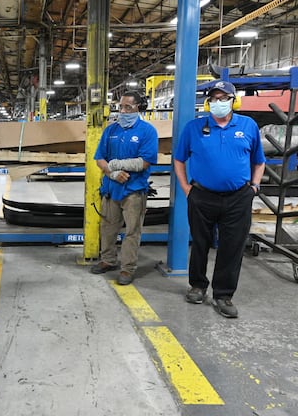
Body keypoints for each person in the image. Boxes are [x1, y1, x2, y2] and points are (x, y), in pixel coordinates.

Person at [174, 80, 265, 318]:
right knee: (200, 243)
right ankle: (198, 286)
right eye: (214, 99)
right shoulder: (194, 128)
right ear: (208, 102)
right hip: (201, 196)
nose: (219, 103)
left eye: (224, 98)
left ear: (233, 101)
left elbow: (259, 160)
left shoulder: (248, 126)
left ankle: (223, 295)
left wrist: (254, 187)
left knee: (232, 247)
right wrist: (186, 188)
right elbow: (179, 159)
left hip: (238, 198)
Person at [90, 91, 158, 285]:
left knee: (132, 231)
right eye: (121, 107)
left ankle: (128, 269)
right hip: (111, 189)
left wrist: (116, 164)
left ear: (139, 107)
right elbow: (99, 158)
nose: (123, 111)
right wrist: (111, 173)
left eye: (128, 107)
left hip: (133, 190)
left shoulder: (147, 131)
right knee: (108, 228)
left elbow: (144, 162)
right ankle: (108, 260)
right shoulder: (110, 131)